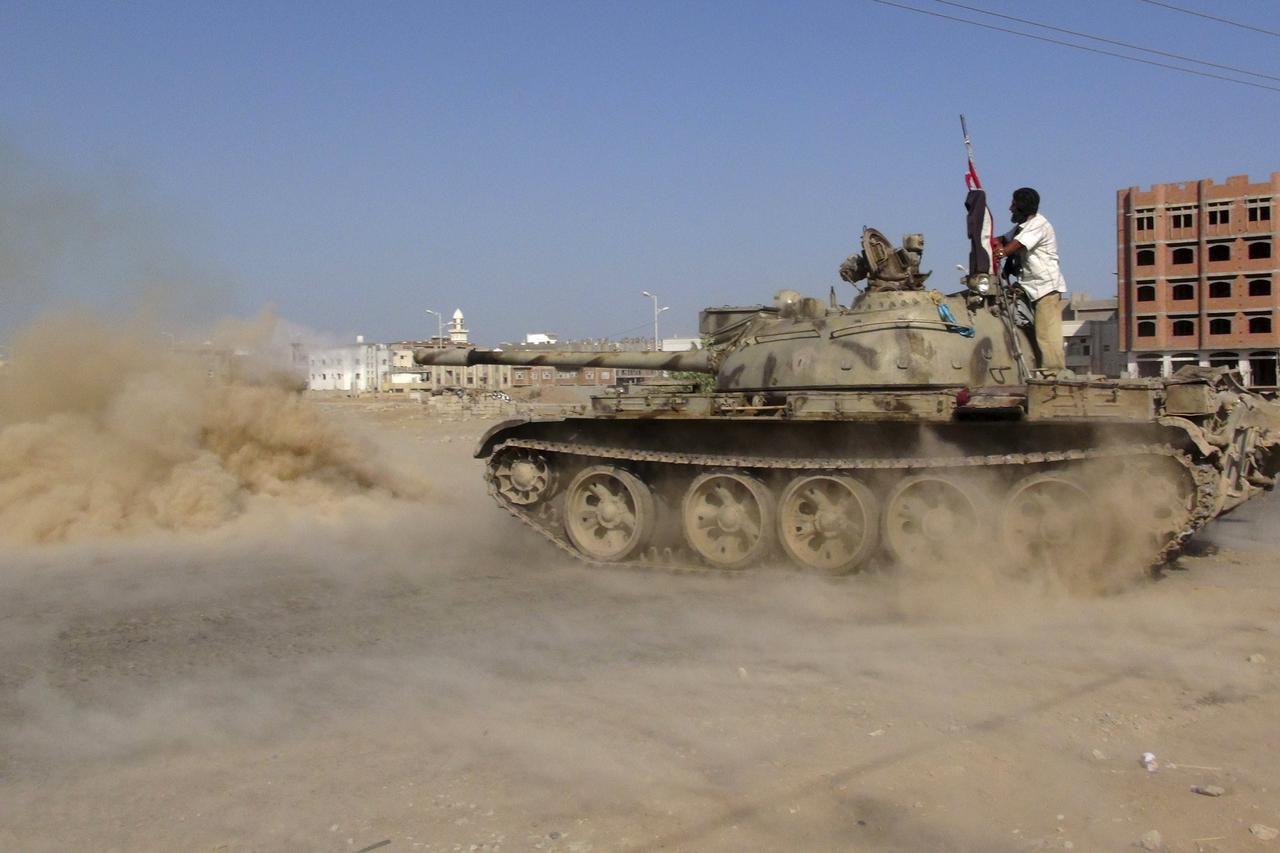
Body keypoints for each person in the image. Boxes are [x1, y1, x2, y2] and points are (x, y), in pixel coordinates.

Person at [992, 187, 1067, 374]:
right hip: (1029, 287)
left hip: (1045, 287)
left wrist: (998, 251)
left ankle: (1053, 373)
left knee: (1046, 333)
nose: (1010, 208)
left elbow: (1011, 248)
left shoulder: (1038, 225)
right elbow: (1004, 239)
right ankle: (1039, 368)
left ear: (1021, 206)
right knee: (1029, 330)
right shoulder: (1022, 226)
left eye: (1013, 204)